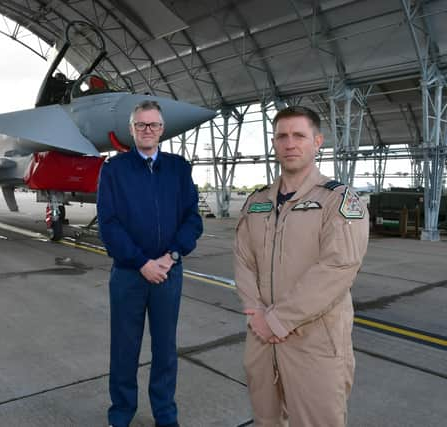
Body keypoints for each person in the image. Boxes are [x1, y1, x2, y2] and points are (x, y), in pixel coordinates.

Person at [234, 106, 369, 426]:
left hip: (314, 343)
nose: (290, 143)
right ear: (273, 143)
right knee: (265, 420)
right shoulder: (257, 202)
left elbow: (338, 268)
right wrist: (255, 312)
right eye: (282, 136)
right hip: (261, 340)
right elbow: (242, 258)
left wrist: (277, 320)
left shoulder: (337, 200)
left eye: (299, 135)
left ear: (317, 141)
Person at [97, 100, 203, 427]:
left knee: (165, 350)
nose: (147, 130)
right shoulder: (114, 170)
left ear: (161, 129)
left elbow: (192, 220)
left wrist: (170, 257)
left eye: (153, 125)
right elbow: (109, 224)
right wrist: (141, 261)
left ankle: (165, 416)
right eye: (141, 125)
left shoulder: (178, 168)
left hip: (168, 273)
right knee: (124, 350)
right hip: (129, 275)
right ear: (132, 130)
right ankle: (121, 415)